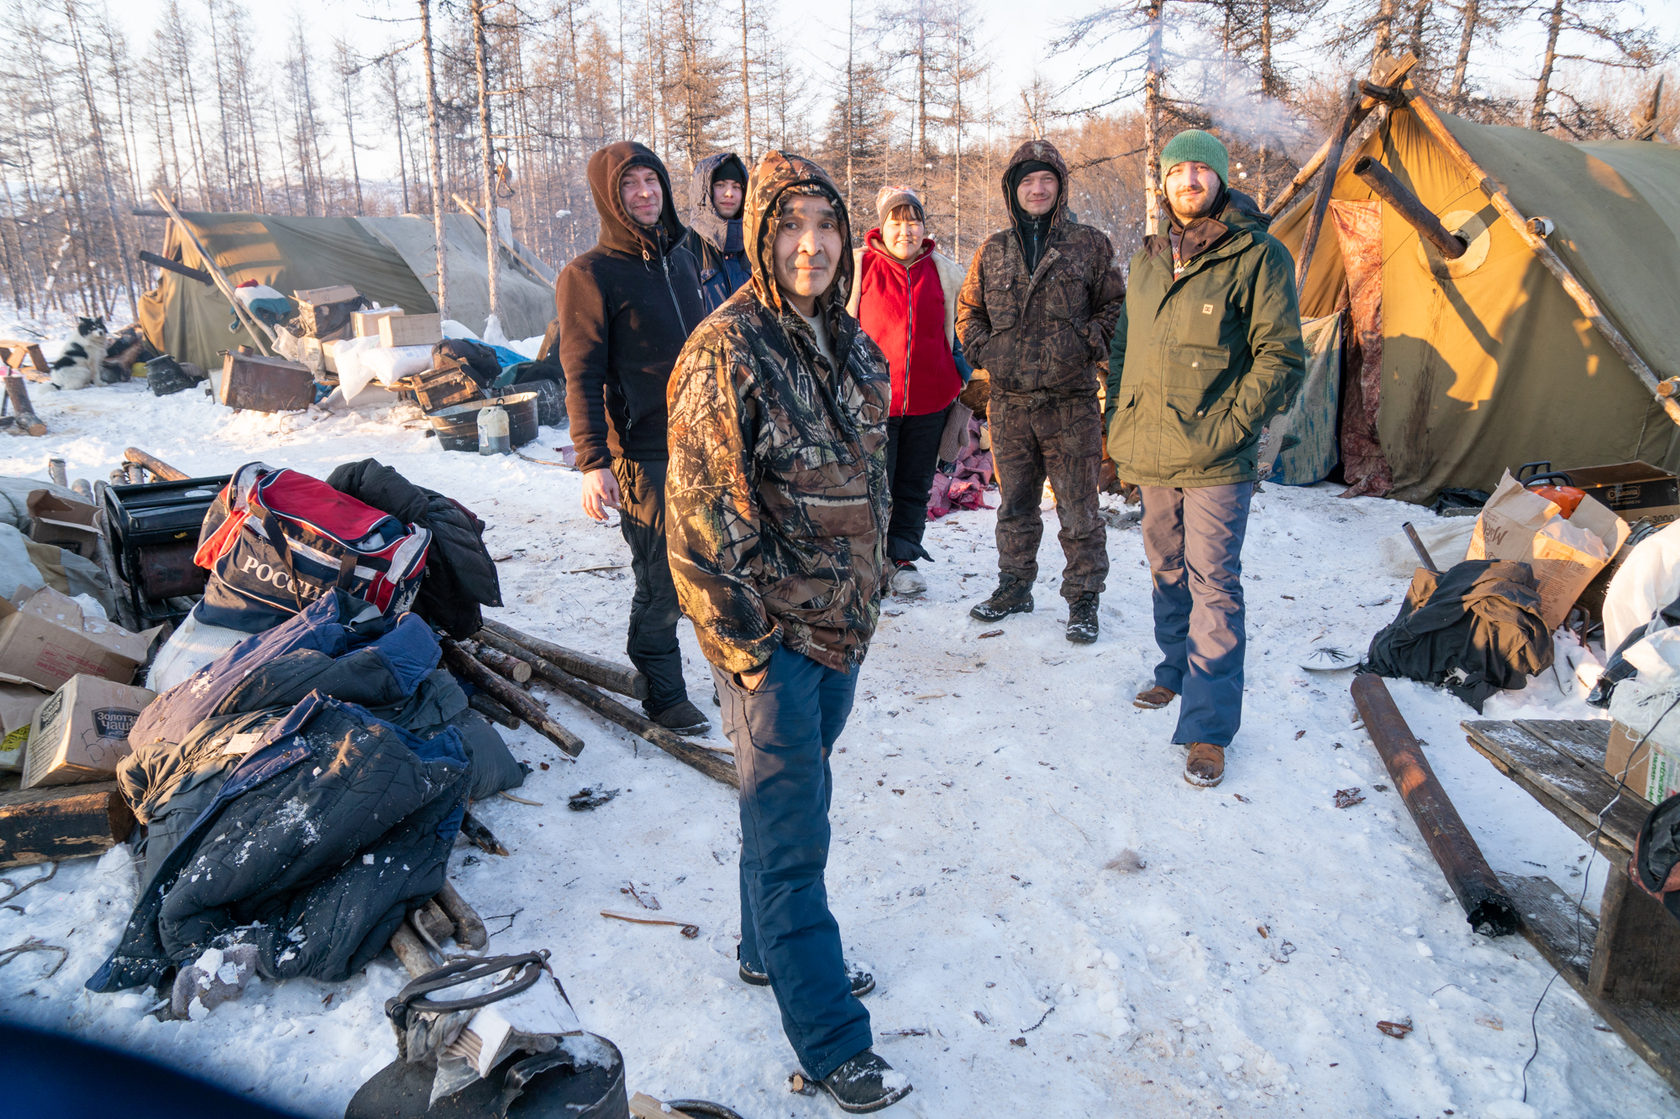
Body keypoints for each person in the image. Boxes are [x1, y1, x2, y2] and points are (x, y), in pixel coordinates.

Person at [665, 150, 913, 1114]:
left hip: (843, 630)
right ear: (764, 237)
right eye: (790, 227)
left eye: (826, 226)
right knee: (794, 835)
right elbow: (697, 522)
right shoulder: (726, 349)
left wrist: (875, 586)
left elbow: (872, 477)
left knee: (779, 811)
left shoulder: (852, 345)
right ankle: (830, 1039)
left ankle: (762, 949)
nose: (811, 245)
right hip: (773, 643)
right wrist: (748, 653)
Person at [1105, 129, 1306, 788]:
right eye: (1177, 170)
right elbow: (1126, 348)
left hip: (1217, 456)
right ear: (1163, 183)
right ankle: (1173, 671)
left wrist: (1232, 423)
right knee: (1165, 569)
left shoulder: (1258, 255)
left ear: (1219, 179)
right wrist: (1118, 426)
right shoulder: (1149, 258)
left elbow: (1281, 357)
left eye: (1201, 168)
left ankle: (1207, 725)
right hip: (1153, 448)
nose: (1188, 179)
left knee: (1212, 582)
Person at [555, 141, 710, 735]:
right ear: (609, 197)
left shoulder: (680, 259)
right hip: (643, 452)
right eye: (629, 185)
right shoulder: (589, 275)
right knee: (662, 578)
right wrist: (593, 460)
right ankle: (663, 693)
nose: (645, 193)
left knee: (716, 565)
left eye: (652, 180)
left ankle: (723, 672)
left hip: (703, 443)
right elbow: (581, 374)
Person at [956, 139, 1125, 643]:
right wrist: (989, 353)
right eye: (1027, 181)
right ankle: (1014, 585)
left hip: (1070, 401)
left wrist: (1083, 344)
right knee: (1015, 507)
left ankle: (1083, 599)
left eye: (1046, 179)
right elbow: (968, 313)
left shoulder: (1089, 244)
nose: (1037, 188)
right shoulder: (993, 250)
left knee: (1078, 509)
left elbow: (1113, 308)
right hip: (1009, 404)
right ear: (1013, 189)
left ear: (1060, 186)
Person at [846, 185, 968, 597]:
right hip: (872, 403)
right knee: (872, 485)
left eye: (913, 220)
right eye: (896, 221)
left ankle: (902, 559)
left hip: (929, 401)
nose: (906, 230)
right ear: (882, 226)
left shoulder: (945, 271)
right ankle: (867, 563)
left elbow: (963, 328)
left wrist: (966, 376)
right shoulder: (859, 267)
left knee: (913, 485)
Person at [681, 152, 752, 313]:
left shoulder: (755, 245)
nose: (729, 193)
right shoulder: (683, 248)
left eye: (736, 186)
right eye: (720, 185)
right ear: (704, 191)